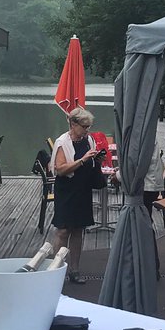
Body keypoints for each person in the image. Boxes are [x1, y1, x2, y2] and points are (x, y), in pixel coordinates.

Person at [51, 106, 103, 284]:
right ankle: (57, 270)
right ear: (73, 124)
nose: (87, 130)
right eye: (84, 126)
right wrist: (83, 160)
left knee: (78, 229)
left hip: (82, 188)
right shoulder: (62, 142)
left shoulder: (88, 140)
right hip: (66, 188)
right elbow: (60, 170)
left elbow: (91, 162)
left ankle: (75, 269)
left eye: (89, 127)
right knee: (63, 230)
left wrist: (96, 160)